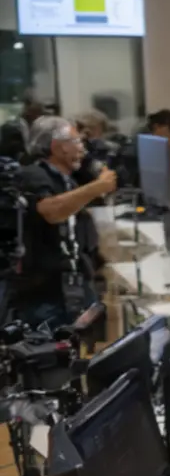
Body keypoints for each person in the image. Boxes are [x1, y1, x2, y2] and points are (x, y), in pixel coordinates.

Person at [11, 117, 114, 327]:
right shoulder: (33, 175)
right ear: (56, 147)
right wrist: (98, 187)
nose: (82, 149)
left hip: (74, 286)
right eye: (76, 141)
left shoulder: (67, 179)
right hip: (46, 294)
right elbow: (51, 211)